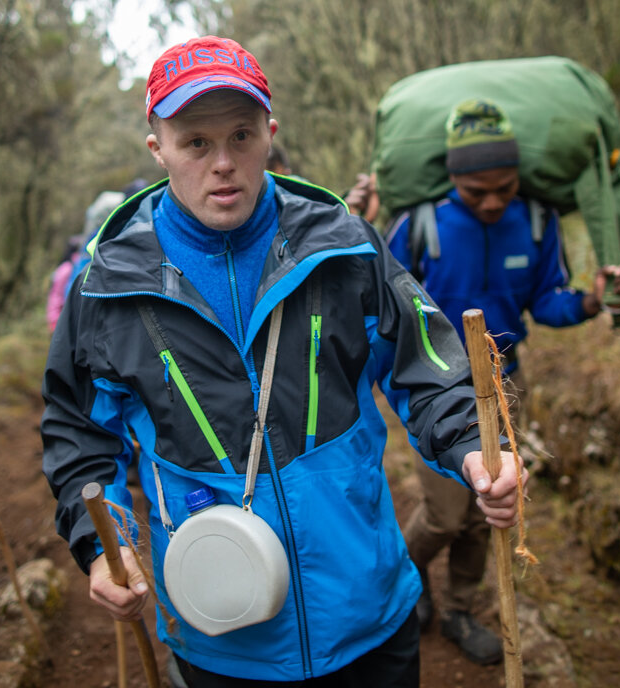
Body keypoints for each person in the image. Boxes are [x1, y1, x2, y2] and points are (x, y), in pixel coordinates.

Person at [40, 36, 526, 686]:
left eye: (241, 136)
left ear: (270, 132)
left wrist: (472, 445)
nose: (223, 164)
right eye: (196, 143)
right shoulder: (107, 286)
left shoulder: (342, 247)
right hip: (219, 630)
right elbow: (78, 436)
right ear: (157, 149)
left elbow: (426, 361)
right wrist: (108, 548)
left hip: (367, 614)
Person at [384, 99, 620, 665]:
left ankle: (458, 610)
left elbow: (547, 301)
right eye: (477, 192)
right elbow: (387, 302)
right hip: (434, 392)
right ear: (452, 180)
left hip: (505, 386)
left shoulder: (538, 220)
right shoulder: (420, 225)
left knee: (484, 509)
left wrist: (593, 299)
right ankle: (408, 572)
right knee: (447, 512)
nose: (494, 202)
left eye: (505, 188)